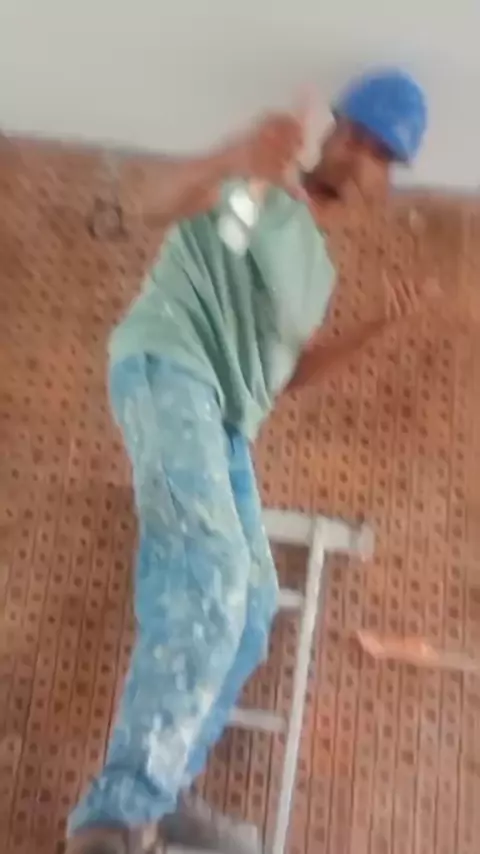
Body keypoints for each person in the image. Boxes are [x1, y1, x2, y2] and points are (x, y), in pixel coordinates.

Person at [66, 68, 428, 854]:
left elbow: (288, 374)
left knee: (254, 599)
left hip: (228, 419)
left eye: (382, 154)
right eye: (356, 134)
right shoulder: (257, 191)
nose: (362, 155)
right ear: (329, 134)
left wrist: (375, 330)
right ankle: (115, 815)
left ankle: (164, 792)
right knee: (210, 570)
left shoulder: (316, 270)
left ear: (387, 181)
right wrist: (239, 157)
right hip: (174, 369)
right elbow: (156, 207)